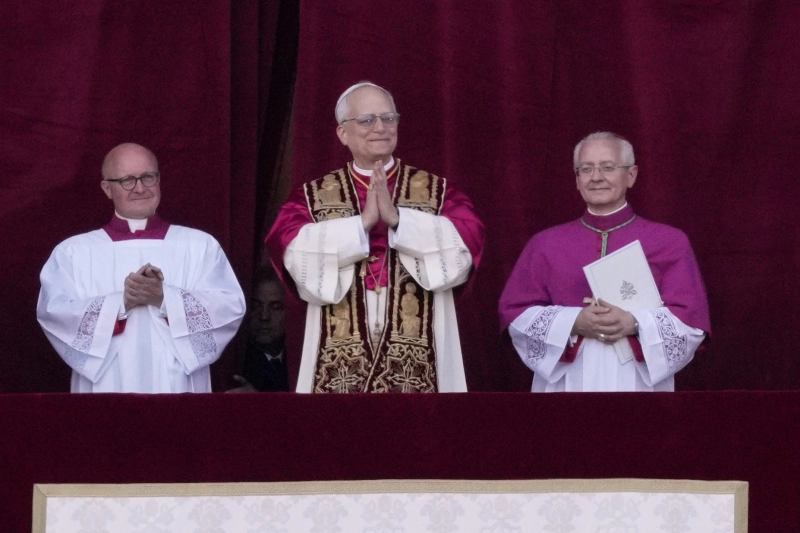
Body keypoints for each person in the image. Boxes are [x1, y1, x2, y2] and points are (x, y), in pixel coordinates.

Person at [266, 82, 485, 393]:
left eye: (389, 118)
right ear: (343, 133)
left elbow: (467, 243)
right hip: (339, 359)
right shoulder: (312, 197)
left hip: (421, 358)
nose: (380, 127)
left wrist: (400, 220)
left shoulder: (438, 192)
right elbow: (290, 249)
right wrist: (362, 224)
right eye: (367, 120)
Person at [499, 132, 710, 392]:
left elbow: (690, 320)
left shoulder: (669, 242)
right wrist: (574, 321)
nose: (596, 177)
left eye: (608, 167)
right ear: (577, 179)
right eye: (586, 169)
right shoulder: (545, 244)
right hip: (566, 380)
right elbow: (514, 314)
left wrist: (632, 322)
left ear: (631, 175)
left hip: (638, 379)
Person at [37, 143, 246, 393]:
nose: (140, 188)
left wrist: (165, 298)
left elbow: (230, 308)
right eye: (127, 180)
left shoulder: (199, 245)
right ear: (107, 188)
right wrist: (121, 302)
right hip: (106, 386)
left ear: (158, 180)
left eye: (148, 177)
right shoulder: (73, 252)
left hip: (177, 385)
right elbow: (54, 314)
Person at [227, 266, 289, 392]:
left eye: (275, 307)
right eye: (255, 306)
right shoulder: (234, 362)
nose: (264, 316)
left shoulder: (301, 362)